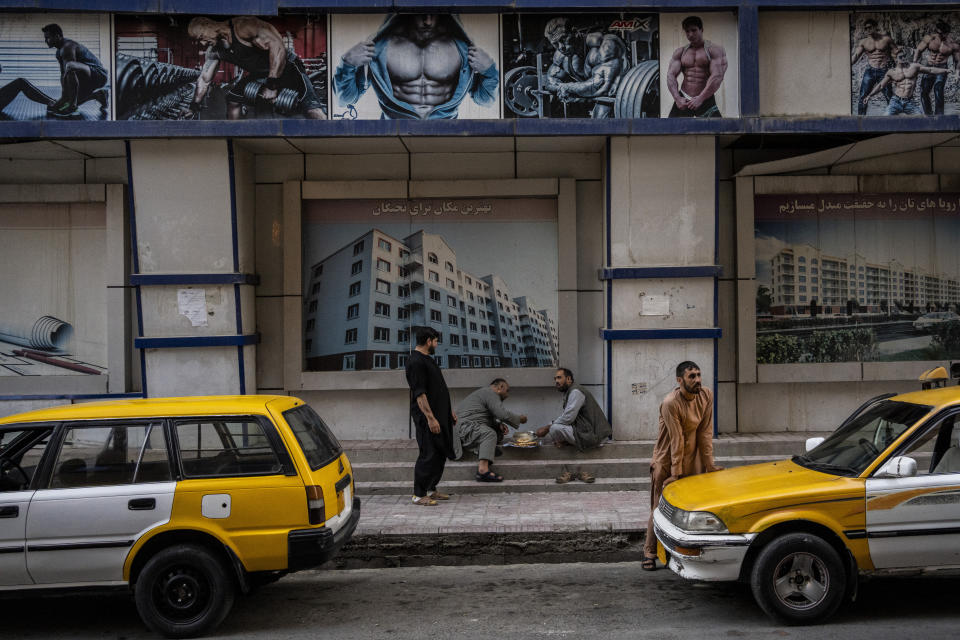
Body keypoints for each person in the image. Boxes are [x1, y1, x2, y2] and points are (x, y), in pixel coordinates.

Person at [334, 14, 498, 119]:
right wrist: (347, 64)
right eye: (420, 11)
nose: (428, 20)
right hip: (394, 134)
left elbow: (485, 101)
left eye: (434, 12)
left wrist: (489, 71)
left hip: (445, 134)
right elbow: (345, 99)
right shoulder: (379, 48)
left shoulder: (462, 48)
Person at [643, 361, 723, 571]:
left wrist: (709, 465)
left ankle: (683, 552)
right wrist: (675, 473)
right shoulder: (670, 402)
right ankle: (650, 553)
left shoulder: (706, 395)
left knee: (690, 509)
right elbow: (676, 439)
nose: (697, 380)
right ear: (679, 381)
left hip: (692, 459)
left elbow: (705, 433)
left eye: (698, 375)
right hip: (666, 461)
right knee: (659, 507)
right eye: (691, 376)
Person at [185, 16, 325, 120]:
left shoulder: (243, 27)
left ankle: (326, 137)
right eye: (199, 41)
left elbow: (277, 48)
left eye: (202, 37)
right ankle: (235, 137)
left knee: (311, 107)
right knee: (233, 99)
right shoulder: (214, 51)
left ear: (208, 25)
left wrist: (271, 85)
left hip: (286, 65)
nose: (203, 43)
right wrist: (193, 106)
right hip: (259, 73)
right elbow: (204, 79)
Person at [0, 24, 108, 119]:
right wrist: (63, 99)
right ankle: (98, 95)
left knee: (70, 67)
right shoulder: (59, 52)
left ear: (57, 36)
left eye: (48, 38)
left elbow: (69, 71)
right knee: (66, 102)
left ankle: (73, 107)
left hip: (98, 74)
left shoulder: (67, 47)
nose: (46, 41)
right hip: (85, 76)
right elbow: (63, 76)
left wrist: (67, 102)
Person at [405, 327, 457, 506]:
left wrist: (448, 411)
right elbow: (420, 394)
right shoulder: (416, 362)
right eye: (435, 341)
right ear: (428, 341)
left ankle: (431, 489)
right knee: (428, 454)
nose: (436, 344)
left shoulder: (427, 360)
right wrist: (431, 418)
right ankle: (419, 494)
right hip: (428, 418)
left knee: (440, 453)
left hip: (440, 415)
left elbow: (438, 389)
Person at [534, 368, 612, 483]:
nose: (556, 381)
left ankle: (564, 442)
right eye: (555, 378)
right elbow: (568, 417)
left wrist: (547, 427)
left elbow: (568, 418)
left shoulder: (576, 392)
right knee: (554, 430)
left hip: (592, 434)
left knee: (554, 429)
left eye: (559, 378)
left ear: (569, 379)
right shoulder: (570, 391)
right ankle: (564, 441)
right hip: (584, 430)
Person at [455, 378, 527, 482]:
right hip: (464, 428)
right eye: (507, 391)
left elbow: (482, 416)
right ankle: (483, 471)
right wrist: (520, 419)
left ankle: (485, 451)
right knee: (489, 434)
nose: (508, 395)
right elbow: (502, 414)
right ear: (500, 387)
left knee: (496, 433)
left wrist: (498, 425)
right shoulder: (490, 393)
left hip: (466, 427)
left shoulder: (484, 394)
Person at [667, 16, 727, 118]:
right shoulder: (680, 52)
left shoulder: (714, 50)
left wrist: (701, 98)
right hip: (684, 99)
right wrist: (677, 98)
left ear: (701, 30)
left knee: (717, 131)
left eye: (694, 30)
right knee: (670, 129)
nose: (690, 34)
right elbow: (670, 75)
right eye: (687, 31)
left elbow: (717, 76)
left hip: (705, 98)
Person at [556, 34, 628, 118]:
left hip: (617, 94)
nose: (561, 47)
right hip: (594, 95)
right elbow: (551, 80)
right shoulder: (564, 57)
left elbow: (602, 86)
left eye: (563, 39)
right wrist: (564, 89)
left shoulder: (606, 44)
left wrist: (568, 87)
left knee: (600, 117)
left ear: (574, 32)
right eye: (555, 43)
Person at [862, 56, 950, 116]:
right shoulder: (892, 72)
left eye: (904, 56)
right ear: (896, 59)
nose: (903, 58)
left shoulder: (914, 67)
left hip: (909, 102)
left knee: (921, 119)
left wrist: (945, 70)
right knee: (886, 118)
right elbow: (881, 85)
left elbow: (930, 70)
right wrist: (869, 95)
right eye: (900, 57)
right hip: (895, 101)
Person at [851, 19, 899, 115]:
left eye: (870, 27)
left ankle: (893, 119)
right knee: (863, 96)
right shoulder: (864, 42)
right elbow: (856, 56)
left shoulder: (886, 39)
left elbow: (896, 53)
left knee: (889, 96)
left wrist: (897, 69)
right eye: (866, 28)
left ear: (875, 27)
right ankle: (861, 120)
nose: (868, 30)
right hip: (870, 71)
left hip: (884, 71)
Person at [913, 21, 960, 115]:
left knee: (938, 89)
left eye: (941, 33)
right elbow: (918, 50)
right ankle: (928, 114)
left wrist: (957, 74)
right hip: (929, 67)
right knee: (924, 91)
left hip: (942, 68)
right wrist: (914, 64)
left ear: (947, 33)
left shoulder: (952, 44)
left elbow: (958, 61)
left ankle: (939, 116)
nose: (939, 35)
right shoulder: (930, 39)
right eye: (938, 32)